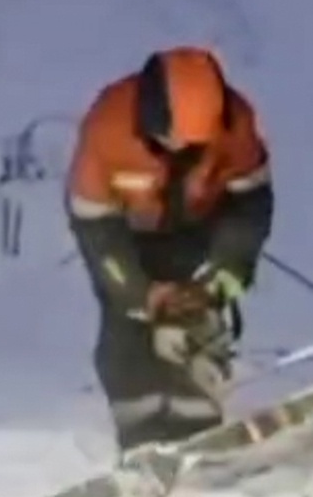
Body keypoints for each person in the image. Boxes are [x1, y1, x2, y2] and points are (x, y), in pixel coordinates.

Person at [65, 46, 274, 456]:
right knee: (126, 341)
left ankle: (200, 440)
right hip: (125, 237)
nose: (183, 150)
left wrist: (220, 279)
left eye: (196, 144)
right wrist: (141, 297)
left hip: (199, 229)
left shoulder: (236, 124)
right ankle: (139, 442)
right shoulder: (107, 129)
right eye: (174, 141)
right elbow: (96, 230)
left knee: (195, 336)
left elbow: (250, 206)